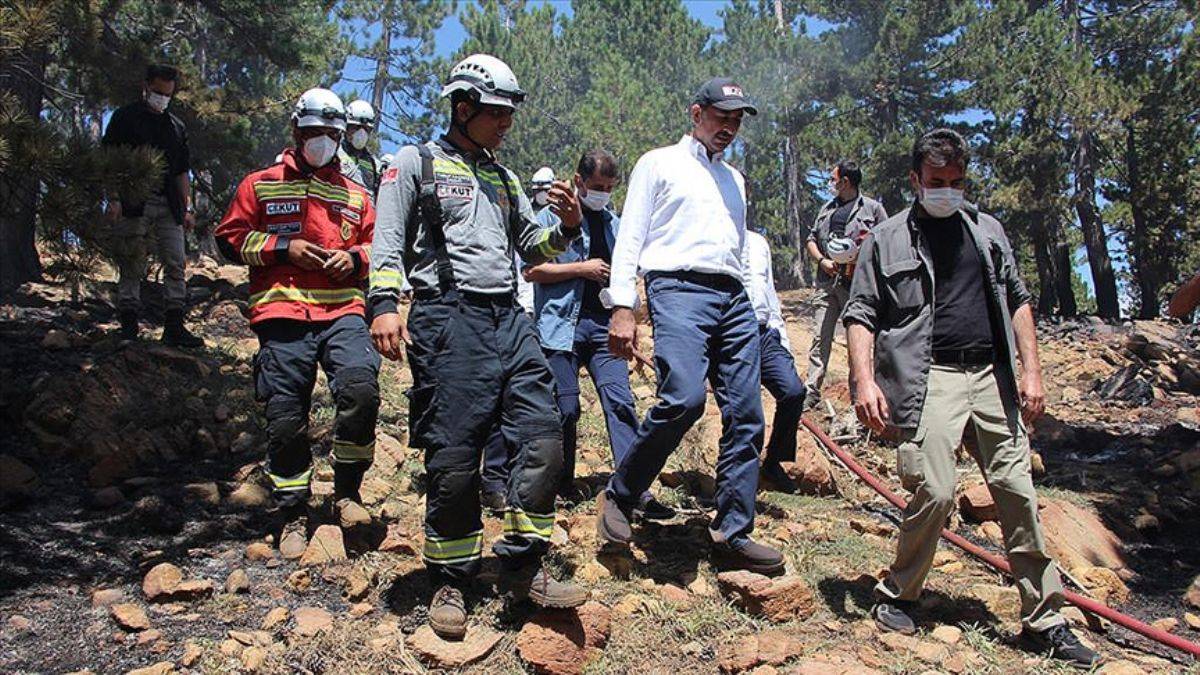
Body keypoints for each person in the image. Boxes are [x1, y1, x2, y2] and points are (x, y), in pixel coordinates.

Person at [843, 129, 1098, 668]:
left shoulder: (988, 232)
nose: (947, 191)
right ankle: (900, 592)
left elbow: (1019, 302)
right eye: (936, 182)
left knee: (1017, 491)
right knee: (934, 491)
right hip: (926, 378)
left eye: (956, 182)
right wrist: (864, 382)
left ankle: (1045, 617)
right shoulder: (886, 240)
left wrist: (1033, 372)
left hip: (991, 377)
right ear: (915, 180)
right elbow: (861, 314)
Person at [367, 54, 588, 640]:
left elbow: (531, 248)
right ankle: (452, 577)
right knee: (456, 456)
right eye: (496, 113)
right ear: (463, 108)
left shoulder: (504, 178)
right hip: (447, 320)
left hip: (508, 320)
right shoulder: (414, 163)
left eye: (510, 114)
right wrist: (384, 305)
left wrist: (565, 228)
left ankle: (521, 563)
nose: (506, 124)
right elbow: (386, 241)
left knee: (548, 428)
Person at [599, 77, 784, 576]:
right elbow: (630, 236)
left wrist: (758, 310)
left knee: (747, 415)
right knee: (683, 397)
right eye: (722, 117)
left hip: (734, 298)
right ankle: (622, 493)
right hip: (676, 289)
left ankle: (733, 531)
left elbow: (738, 250)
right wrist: (622, 306)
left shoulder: (736, 179)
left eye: (737, 120)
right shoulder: (658, 163)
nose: (730, 127)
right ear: (696, 112)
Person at [213, 88, 379, 550]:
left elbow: (377, 246)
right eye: (313, 132)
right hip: (281, 310)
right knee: (285, 417)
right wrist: (283, 248)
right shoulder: (260, 184)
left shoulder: (356, 195)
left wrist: (355, 259)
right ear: (296, 131)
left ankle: (347, 491)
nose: (322, 141)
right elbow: (228, 240)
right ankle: (292, 509)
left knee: (361, 390)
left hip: (343, 311)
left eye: (331, 133)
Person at [522, 149, 675, 518]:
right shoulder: (546, 218)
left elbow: (628, 274)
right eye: (596, 186)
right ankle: (560, 483)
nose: (602, 193)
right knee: (566, 408)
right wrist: (581, 268)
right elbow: (532, 271)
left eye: (609, 187)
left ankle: (634, 489)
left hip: (604, 328)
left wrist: (631, 319)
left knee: (620, 403)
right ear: (578, 182)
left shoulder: (616, 224)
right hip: (560, 326)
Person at [101, 64, 202, 347]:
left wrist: (188, 208)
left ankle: (174, 326)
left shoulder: (176, 127)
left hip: (169, 204)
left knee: (175, 262)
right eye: (158, 92)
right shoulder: (125, 118)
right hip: (133, 202)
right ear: (146, 86)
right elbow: (109, 161)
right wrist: (113, 198)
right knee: (132, 261)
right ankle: (129, 325)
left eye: (168, 94)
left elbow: (183, 171)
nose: (162, 98)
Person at [480, 165, 555, 510]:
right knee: (497, 399)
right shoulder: (506, 216)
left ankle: (516, 483)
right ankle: (492, 478)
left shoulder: (539, 223)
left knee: (524, 404)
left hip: (527, 317)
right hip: (505, 310)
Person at [803, 161, 887, 410]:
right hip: (827, 282)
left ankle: (859, 395)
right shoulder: (826, 209)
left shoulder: (873, 209)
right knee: (820, 337)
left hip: (857, 286)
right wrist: (822, 260)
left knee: (858, 342)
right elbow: (811, 239)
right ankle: (811, 391)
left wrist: (862, 260)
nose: (831, 183)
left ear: (846, 181)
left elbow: (886, 241)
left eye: (833, 179)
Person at [742, 229, 807, 493]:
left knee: (793, 391)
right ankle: (741, 474)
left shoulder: (758, 242)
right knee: (746, 408)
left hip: (765, 332)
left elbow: (767, 289)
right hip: (734, 332)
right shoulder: (711, 238)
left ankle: (773, 463)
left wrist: (781, 337)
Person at [339, 99, 383, 195]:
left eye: (366, 129)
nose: (361, 133)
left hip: (366, 208)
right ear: (346, 127)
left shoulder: (375, 165)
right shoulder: (334, 154)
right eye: (356, 127)